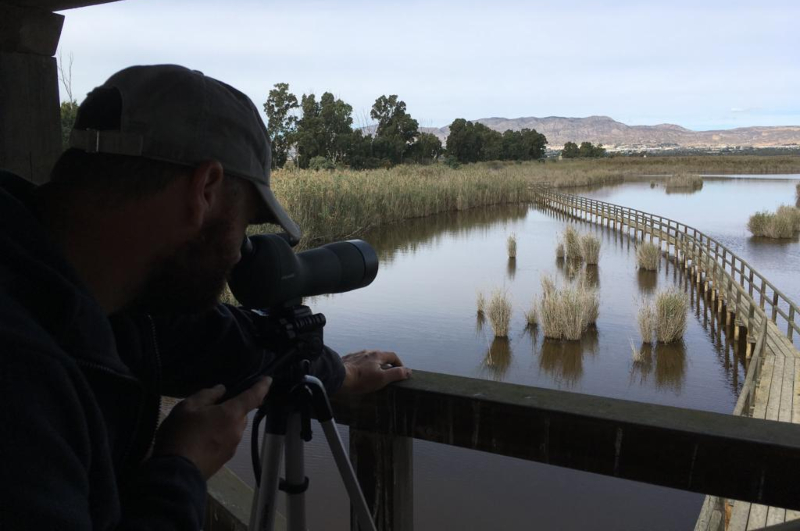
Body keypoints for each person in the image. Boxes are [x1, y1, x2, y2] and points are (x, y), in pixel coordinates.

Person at [0, 64, 411, 530]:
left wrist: (338, 371)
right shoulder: (22, 374)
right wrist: (181, 470)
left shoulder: (97, 293)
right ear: (205, 189)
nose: (240, 251)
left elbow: (220, 340)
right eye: (247, 223)